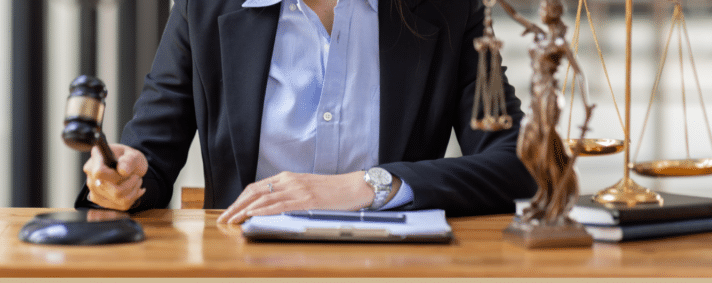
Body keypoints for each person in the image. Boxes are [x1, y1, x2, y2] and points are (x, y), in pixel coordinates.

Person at [75, 0, 537, 224]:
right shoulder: (204, 7)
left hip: (398, 267)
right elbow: (148, 162)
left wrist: (367, 186)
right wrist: (120, 182)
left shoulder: (448, 9)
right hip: (242, 266)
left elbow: (516, 163)